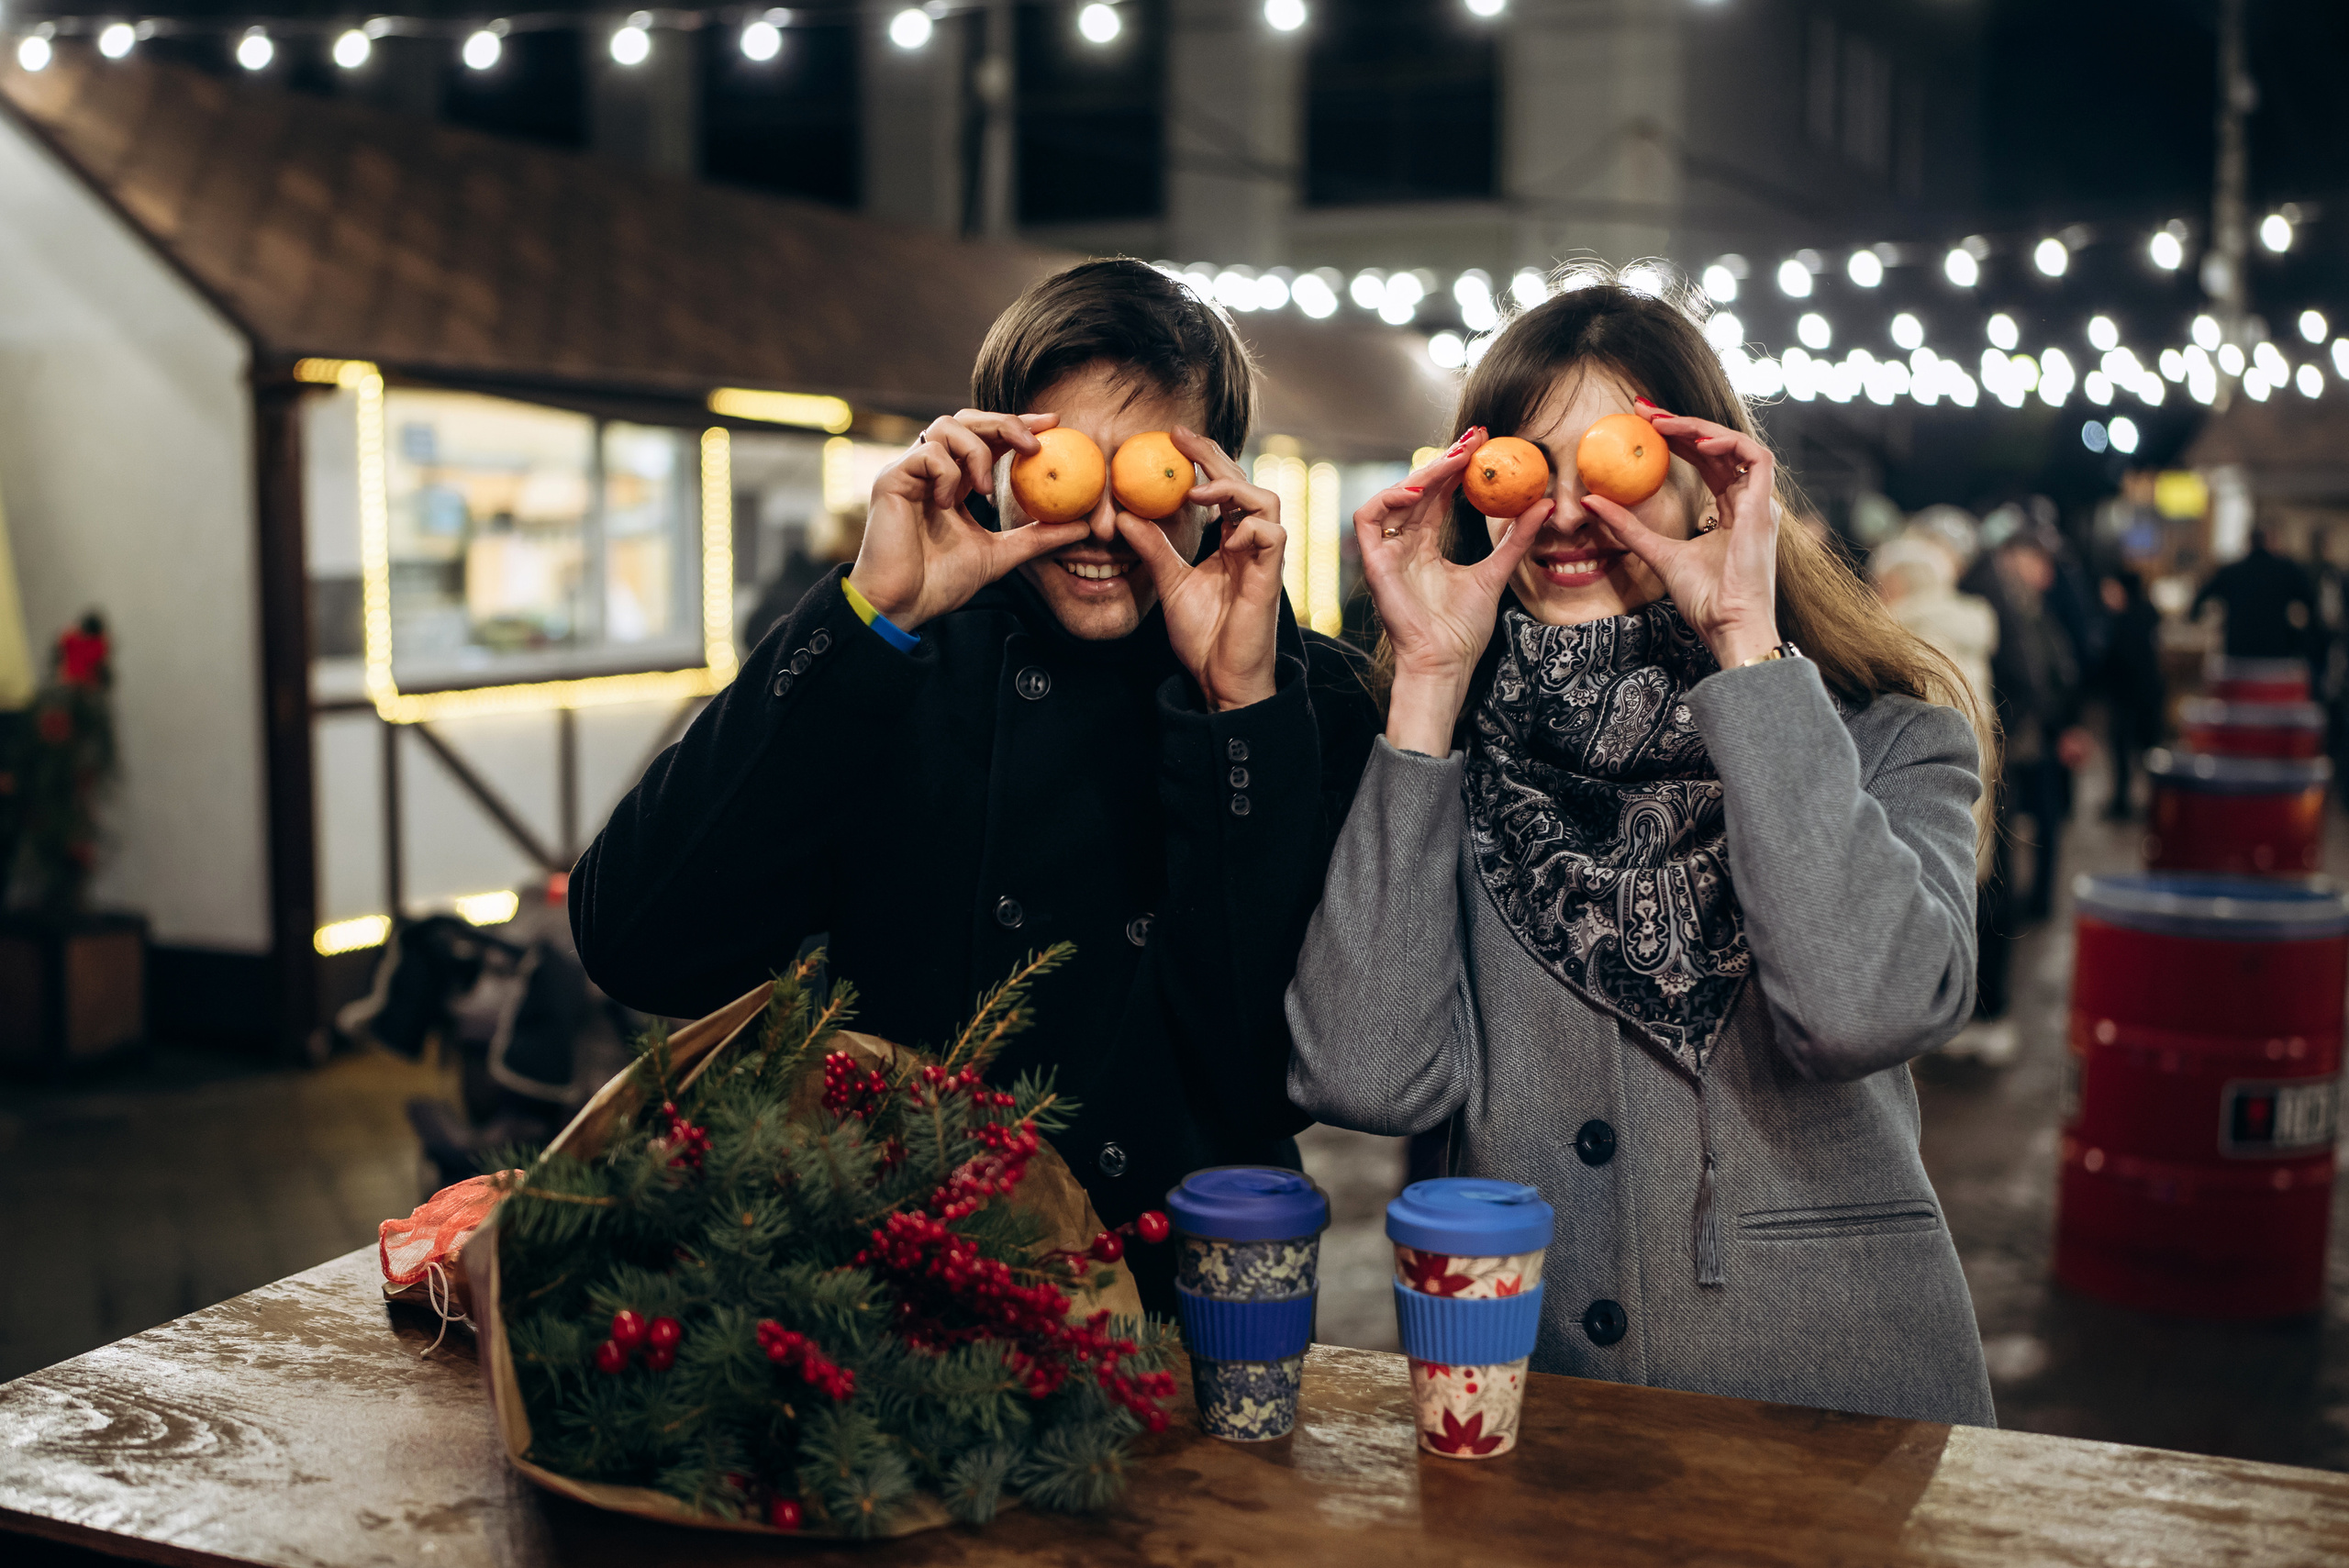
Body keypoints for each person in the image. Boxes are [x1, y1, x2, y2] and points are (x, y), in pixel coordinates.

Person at [571, 260, 1381, 1314]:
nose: (1097, 525)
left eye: (1139, 473)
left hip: (1194, 1308)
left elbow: (1265, 1069)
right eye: (1061, 465)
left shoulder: (1300, 698)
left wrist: (1239, 707)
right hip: (897, 1297)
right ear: (996, 459)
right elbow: (639, 940)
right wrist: (866, 614)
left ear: (1215, 481)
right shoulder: (900, 657)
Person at [1284, 273, 1997, 1427]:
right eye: (1522, 467)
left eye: (1611, 461)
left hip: (1841, 1420)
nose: (1564, 511)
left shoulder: (1884, 738)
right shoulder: (1446, 772)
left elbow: (1864, 1006)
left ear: (1706, 483)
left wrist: (1742, 637)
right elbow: (1364, 1075)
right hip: (1542, 1418)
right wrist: (1423, 680)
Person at [2098, 569, 2165, 821]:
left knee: (2129, 752)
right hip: (2140, 695)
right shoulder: (2144, 614)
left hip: (2132, 697)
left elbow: (2122, 659)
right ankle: (2140, 802)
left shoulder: (2128, 620)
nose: (2105, 595)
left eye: (2110, 589)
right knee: (2134, 753)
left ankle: (2132, 803)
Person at [2193, 526, 2316, 660]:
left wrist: (2195, 618)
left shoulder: (2232, 572)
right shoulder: (2287, 570)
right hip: (2276, 649)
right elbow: (2311, 600)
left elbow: (2202, 596)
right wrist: (2301, 636)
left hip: (2239, 650)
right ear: (2268, 542)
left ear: (2249, 542)